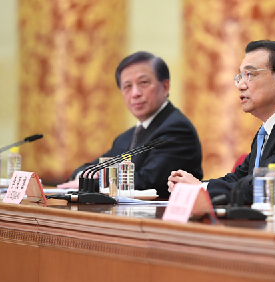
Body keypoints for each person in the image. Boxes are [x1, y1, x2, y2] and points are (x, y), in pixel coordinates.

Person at [168, 40, 275, 214]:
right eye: (240, 77)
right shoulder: (270, 129)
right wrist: (196, 185)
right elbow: (239, 178)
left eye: (249, 74)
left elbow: (260, 189)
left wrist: (200, 189)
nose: (241, 85)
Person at [58, 52, 203, 199]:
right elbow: (90, 168)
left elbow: (148, 181)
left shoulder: (176, 129)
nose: (135, 93)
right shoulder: (125, 138)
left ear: (165, 87)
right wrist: (83, 175)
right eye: (127, 86)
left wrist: (90, 182)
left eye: (143, 83)